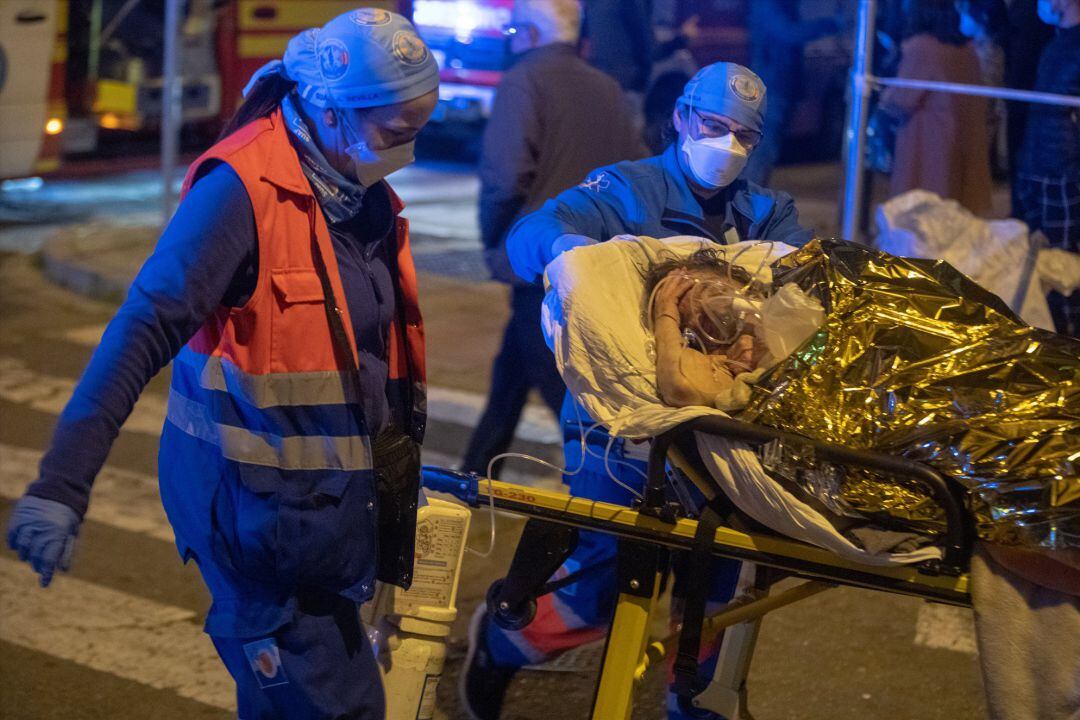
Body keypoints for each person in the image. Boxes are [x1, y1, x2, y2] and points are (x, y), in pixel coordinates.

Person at [5, 9, 438, 718]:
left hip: (328, 526)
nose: (409, 150)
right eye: (397, 132)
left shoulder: (357, 199)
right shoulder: (240, 194)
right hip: (261, 534)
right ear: (330, 112)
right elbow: (139, 331)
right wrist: (61, 484)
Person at [459, 62, 813, 720]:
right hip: (616, 426)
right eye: (713, 126)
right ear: (680, 117)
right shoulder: (625, 190)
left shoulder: (768, 212)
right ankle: (505, 644)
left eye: (744, 136)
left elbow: (803, 295)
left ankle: (695, 705)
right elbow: (530, 233)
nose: (727, 146)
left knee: (716, 586)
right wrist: (573, 255)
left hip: (722, 430)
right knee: (602, 582)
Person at [460, 0, 645, 478]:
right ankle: (476, 471)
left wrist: (494, 240)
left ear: (529, 34)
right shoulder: (605, 87)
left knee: (552, 383)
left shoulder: (525, 81)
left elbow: (505, 176)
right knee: (513, 370)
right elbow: (633, 171)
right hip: (591, 259)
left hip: (539, 259)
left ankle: (598, 490)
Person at [879, 0, 992, 215]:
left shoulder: (921, 47)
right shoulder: (966, 49)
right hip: (962, 139)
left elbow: (901, 99)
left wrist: (884, 97)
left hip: (927, 143)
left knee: (923, 215)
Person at [1013, 0, 1080, 337]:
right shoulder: (1057, 42)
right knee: (1047, 263)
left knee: (1065, 266)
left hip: (1063, 172)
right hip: (1041, 167)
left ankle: (1068, 344)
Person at [744, 0, 842, 186]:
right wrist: (829, 24)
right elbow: (787, 32)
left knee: (767, 144)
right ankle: (749, 196)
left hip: (778, 81)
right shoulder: (769, 4)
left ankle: (751, 194)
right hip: (772, 83)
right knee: (764, 145)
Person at [955, 0, 1010, 176]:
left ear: (982, 17)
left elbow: (984, 95)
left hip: (978, 124)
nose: (961, 17)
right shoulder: (976, 47)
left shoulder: (989, 51)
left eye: (966, 12)